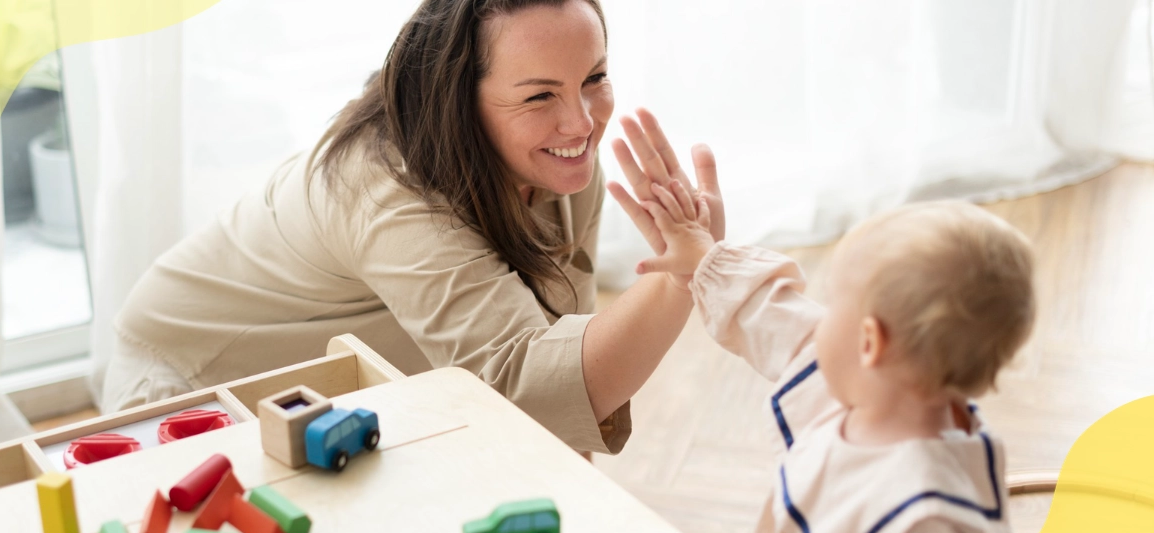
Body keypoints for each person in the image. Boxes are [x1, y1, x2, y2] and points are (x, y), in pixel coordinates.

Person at [102, 0, 724, 456]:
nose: (582, 122)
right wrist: (679, 279)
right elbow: (527, 387)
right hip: (191, 376)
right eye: (539, 96)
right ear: (456, 97)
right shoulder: (380, 187)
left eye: (593, 77)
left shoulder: (559, 158)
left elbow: (560, 350)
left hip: (353, 383)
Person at [610, 169, 1035, 533]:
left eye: (833, 305)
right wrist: (703, 257)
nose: (817, 318)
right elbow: (773, 314)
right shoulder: (866, 385)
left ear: (870, 342)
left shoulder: (934, 518)